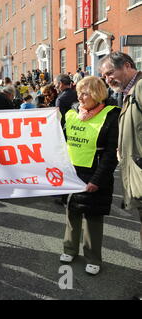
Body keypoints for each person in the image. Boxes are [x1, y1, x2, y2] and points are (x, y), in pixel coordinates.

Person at [61, 76, 120, 276]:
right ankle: (69, 249)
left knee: (93, 217)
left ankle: (93, 258)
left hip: (94, 174)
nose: (80, 96)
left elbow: (112, 154)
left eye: (85, 93)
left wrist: (97, 180)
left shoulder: (111, 116)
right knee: (71, 211)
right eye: (79, 92)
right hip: (71, 173)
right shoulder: (72, 112)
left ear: (97, 94)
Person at [100, 52, 142, 299]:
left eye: (110, 73)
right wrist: (122, 148)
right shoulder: (128, 93)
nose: (107, 79)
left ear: (127, 66)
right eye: (104, 76)